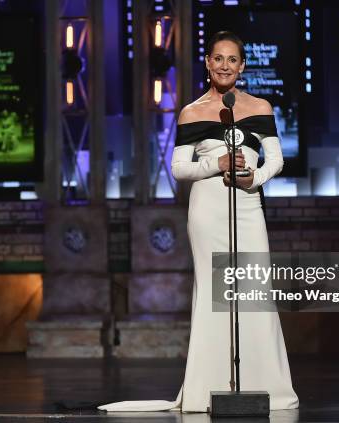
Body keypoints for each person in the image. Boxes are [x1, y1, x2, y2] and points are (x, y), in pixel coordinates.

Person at [98, 31, 298, 413]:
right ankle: (210, 385)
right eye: (218, 59)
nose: (225, 66)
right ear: (207, 63)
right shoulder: (191, 111)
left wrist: (252, 177)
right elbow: (178, 169)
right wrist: (216, 163)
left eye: (232, 60)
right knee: (213, 293)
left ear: (242, 66)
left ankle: (263, 383)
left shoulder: (260, 107)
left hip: (248, 205)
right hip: (207, 211)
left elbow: (276, 159)